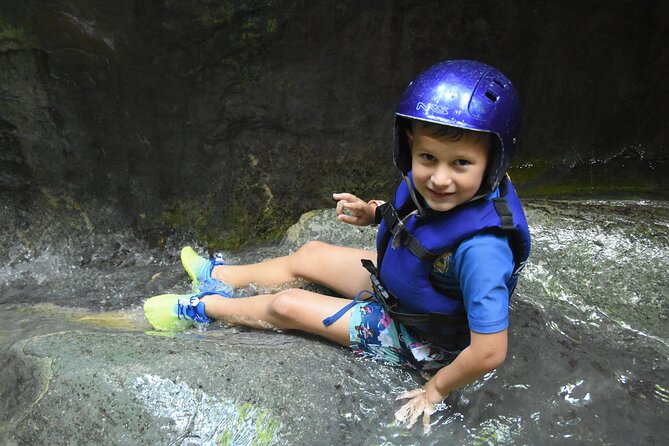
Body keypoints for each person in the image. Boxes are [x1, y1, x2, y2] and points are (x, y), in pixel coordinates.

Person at [144, 59, 531, 433]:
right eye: (427, 157)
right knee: (311, 253)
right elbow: (417, 218)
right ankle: (219, 276)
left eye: (461, 164)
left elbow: (489, 351)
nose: (440, 179)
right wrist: (374, 212)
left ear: (492, 162)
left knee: (287, 305)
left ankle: (201, 308)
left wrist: (436, 389)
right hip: (406, 285)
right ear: (409, 145)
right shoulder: (444, 189)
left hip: (424, 338)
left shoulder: (483, 251)